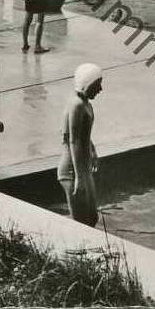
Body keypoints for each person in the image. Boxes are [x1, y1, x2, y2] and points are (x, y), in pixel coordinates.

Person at [57, 63, 103, 227]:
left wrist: (93, 150)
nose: (100, 89)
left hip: (82, 168)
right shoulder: (76, 105)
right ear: (87, 84)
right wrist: (79, 178)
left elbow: (83, 135)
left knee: (92, 218)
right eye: (97, 85)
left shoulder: (85, 104)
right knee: (81, 223)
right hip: (72, 170)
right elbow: (73, 140)